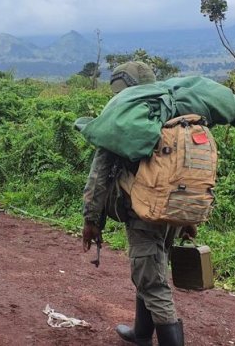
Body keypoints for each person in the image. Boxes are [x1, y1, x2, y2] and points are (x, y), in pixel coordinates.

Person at [81, 61, 191, 346]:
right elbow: (189, 173)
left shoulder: (122, 122)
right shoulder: (175, 114)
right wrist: (189, 217)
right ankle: (141, 333)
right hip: (173, 211)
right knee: (151, 269)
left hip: (144, 213)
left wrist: (91, 220)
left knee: (152, 281)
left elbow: (99, 175)